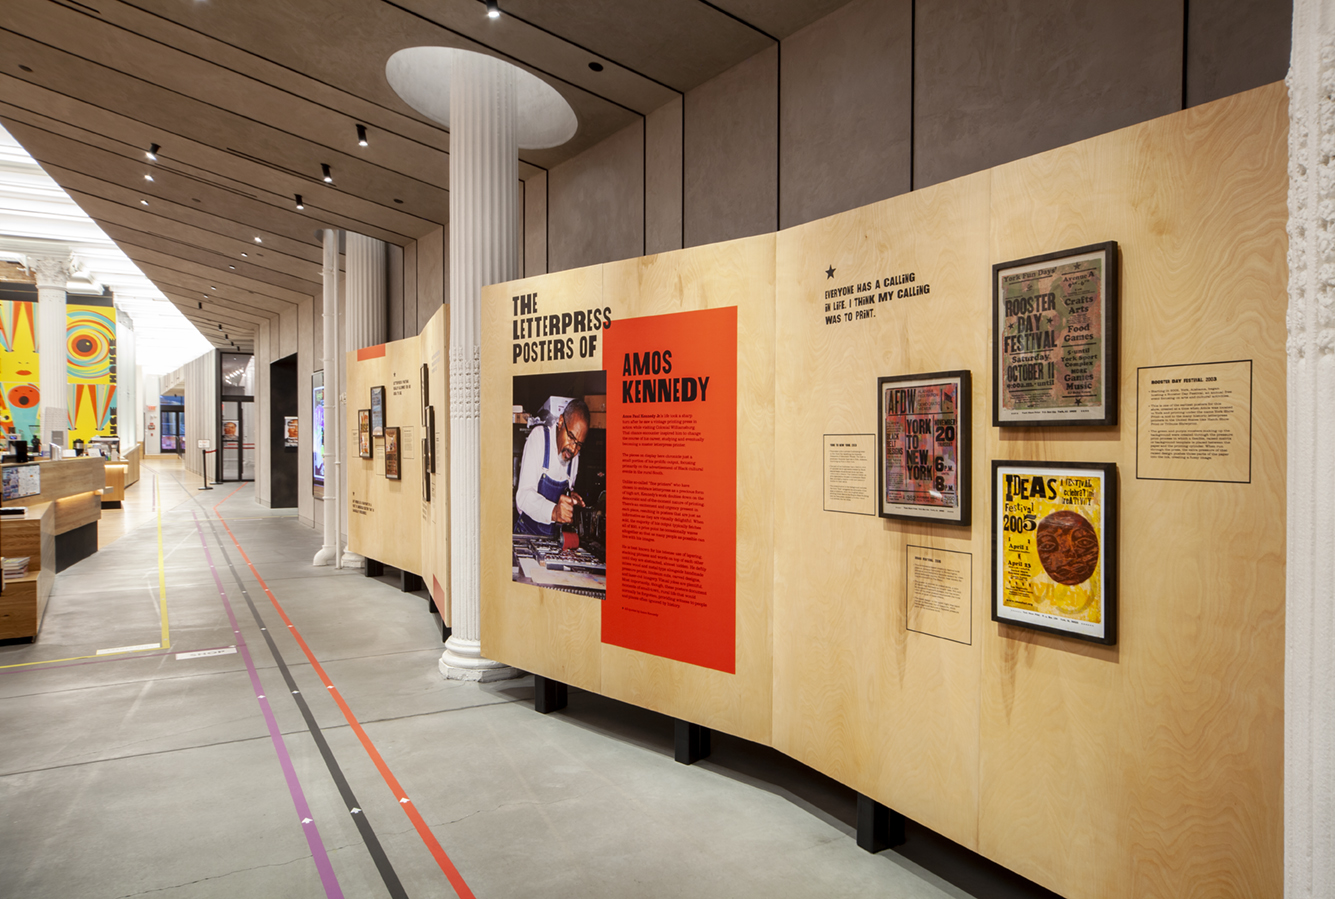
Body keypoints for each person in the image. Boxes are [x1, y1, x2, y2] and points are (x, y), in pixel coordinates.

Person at [514, 398, 589, 536]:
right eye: (571, 437)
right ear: (561, 422)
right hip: (526, 534)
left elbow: (565, 490)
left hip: (552, 539)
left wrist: (570, 498)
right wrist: (554, 512)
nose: (573, 448)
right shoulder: (539, 438)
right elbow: (523, 497)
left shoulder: (574, 457)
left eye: (579, 444)